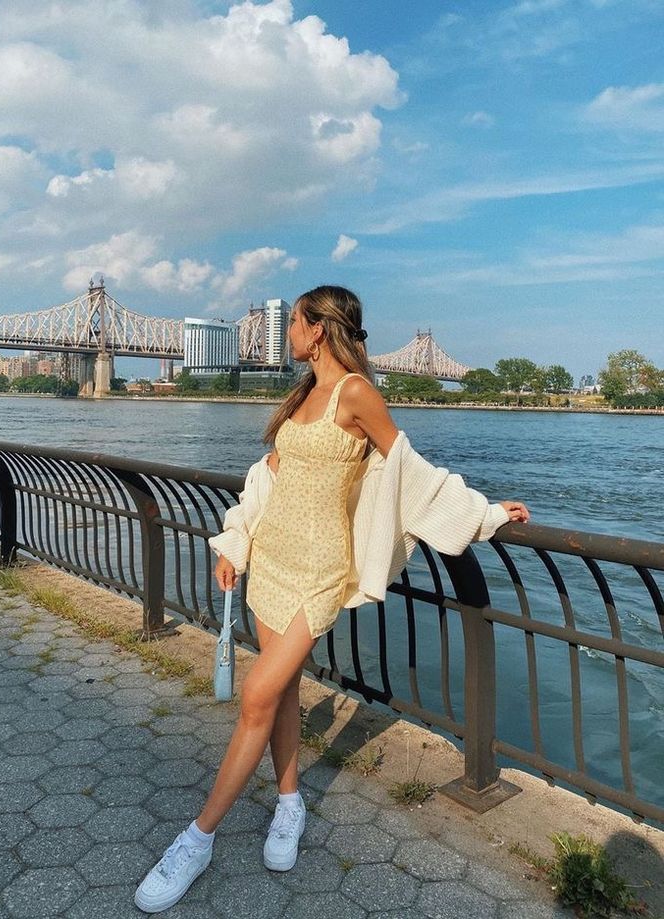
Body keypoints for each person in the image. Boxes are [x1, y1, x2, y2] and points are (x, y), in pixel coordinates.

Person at [134, 285, 530, 913]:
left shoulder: (355, 393)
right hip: (272, 558)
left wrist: (483, 514)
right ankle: (289, 805)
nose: (286, 332)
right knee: (283, 692)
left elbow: (410, 471)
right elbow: (271, 475)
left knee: (255, 695)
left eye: (292, 322)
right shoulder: (301, 395)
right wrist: (234, 542)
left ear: (317, 329)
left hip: (318, 569)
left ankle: (197, 838)